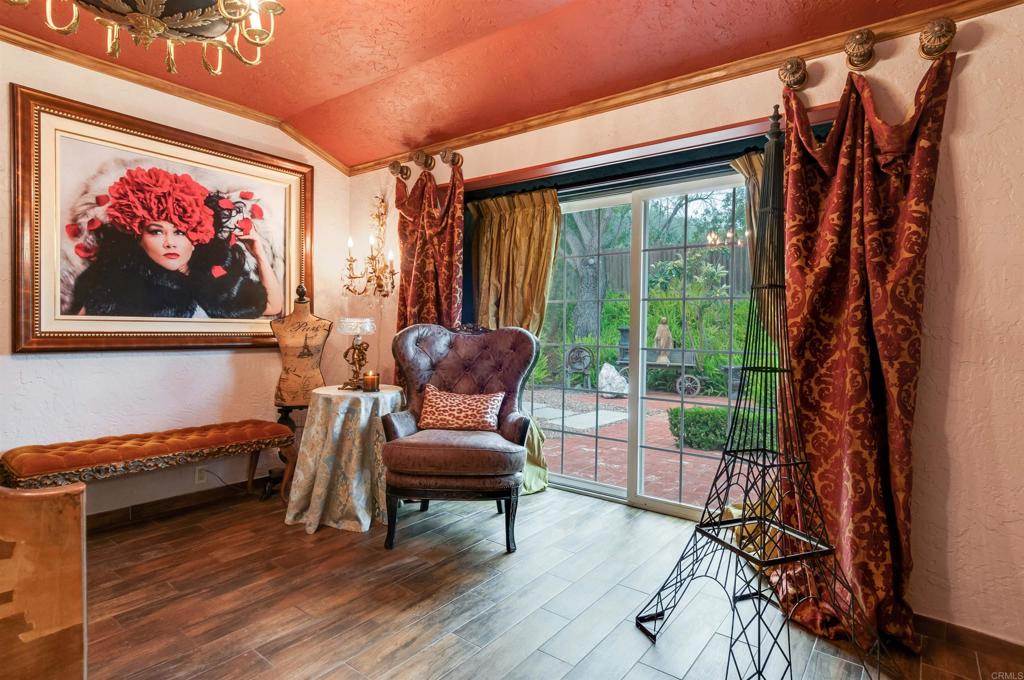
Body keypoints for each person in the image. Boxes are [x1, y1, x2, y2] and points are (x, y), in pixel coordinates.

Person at [68, 166, 282, 319]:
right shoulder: (119, 286)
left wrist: (259, 252)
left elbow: (273, 306)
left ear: (197, 236)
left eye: (180, 232)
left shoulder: (215, 278)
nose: (169, 242)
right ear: (139, 238)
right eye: (156, 232)